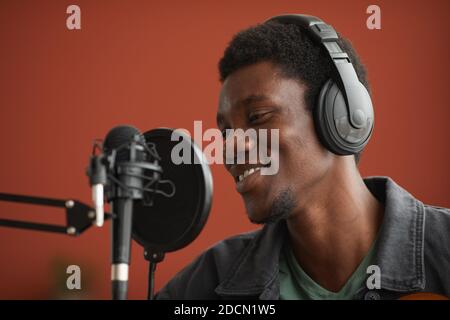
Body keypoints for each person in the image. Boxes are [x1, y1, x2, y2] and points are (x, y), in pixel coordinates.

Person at [156, 14, 450, 300]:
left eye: (257, 117)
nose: (232, 147)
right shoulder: (209, 282)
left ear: (340, 117)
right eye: (225, 132)